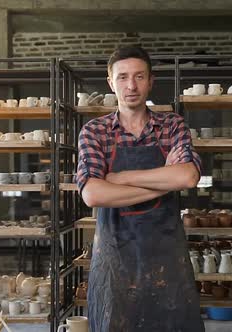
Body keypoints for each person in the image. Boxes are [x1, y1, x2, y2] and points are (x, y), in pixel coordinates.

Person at [76, 45, 205, 332]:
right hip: (114, 261)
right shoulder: (94, 131)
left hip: (166, 257)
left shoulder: (172, 125)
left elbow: (186, 177)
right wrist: (162, 184)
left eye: (139, 77)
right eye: (122, 77)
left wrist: (119, 178)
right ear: (111, 82)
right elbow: (93, 194)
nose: (131, 86)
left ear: (150, 81)